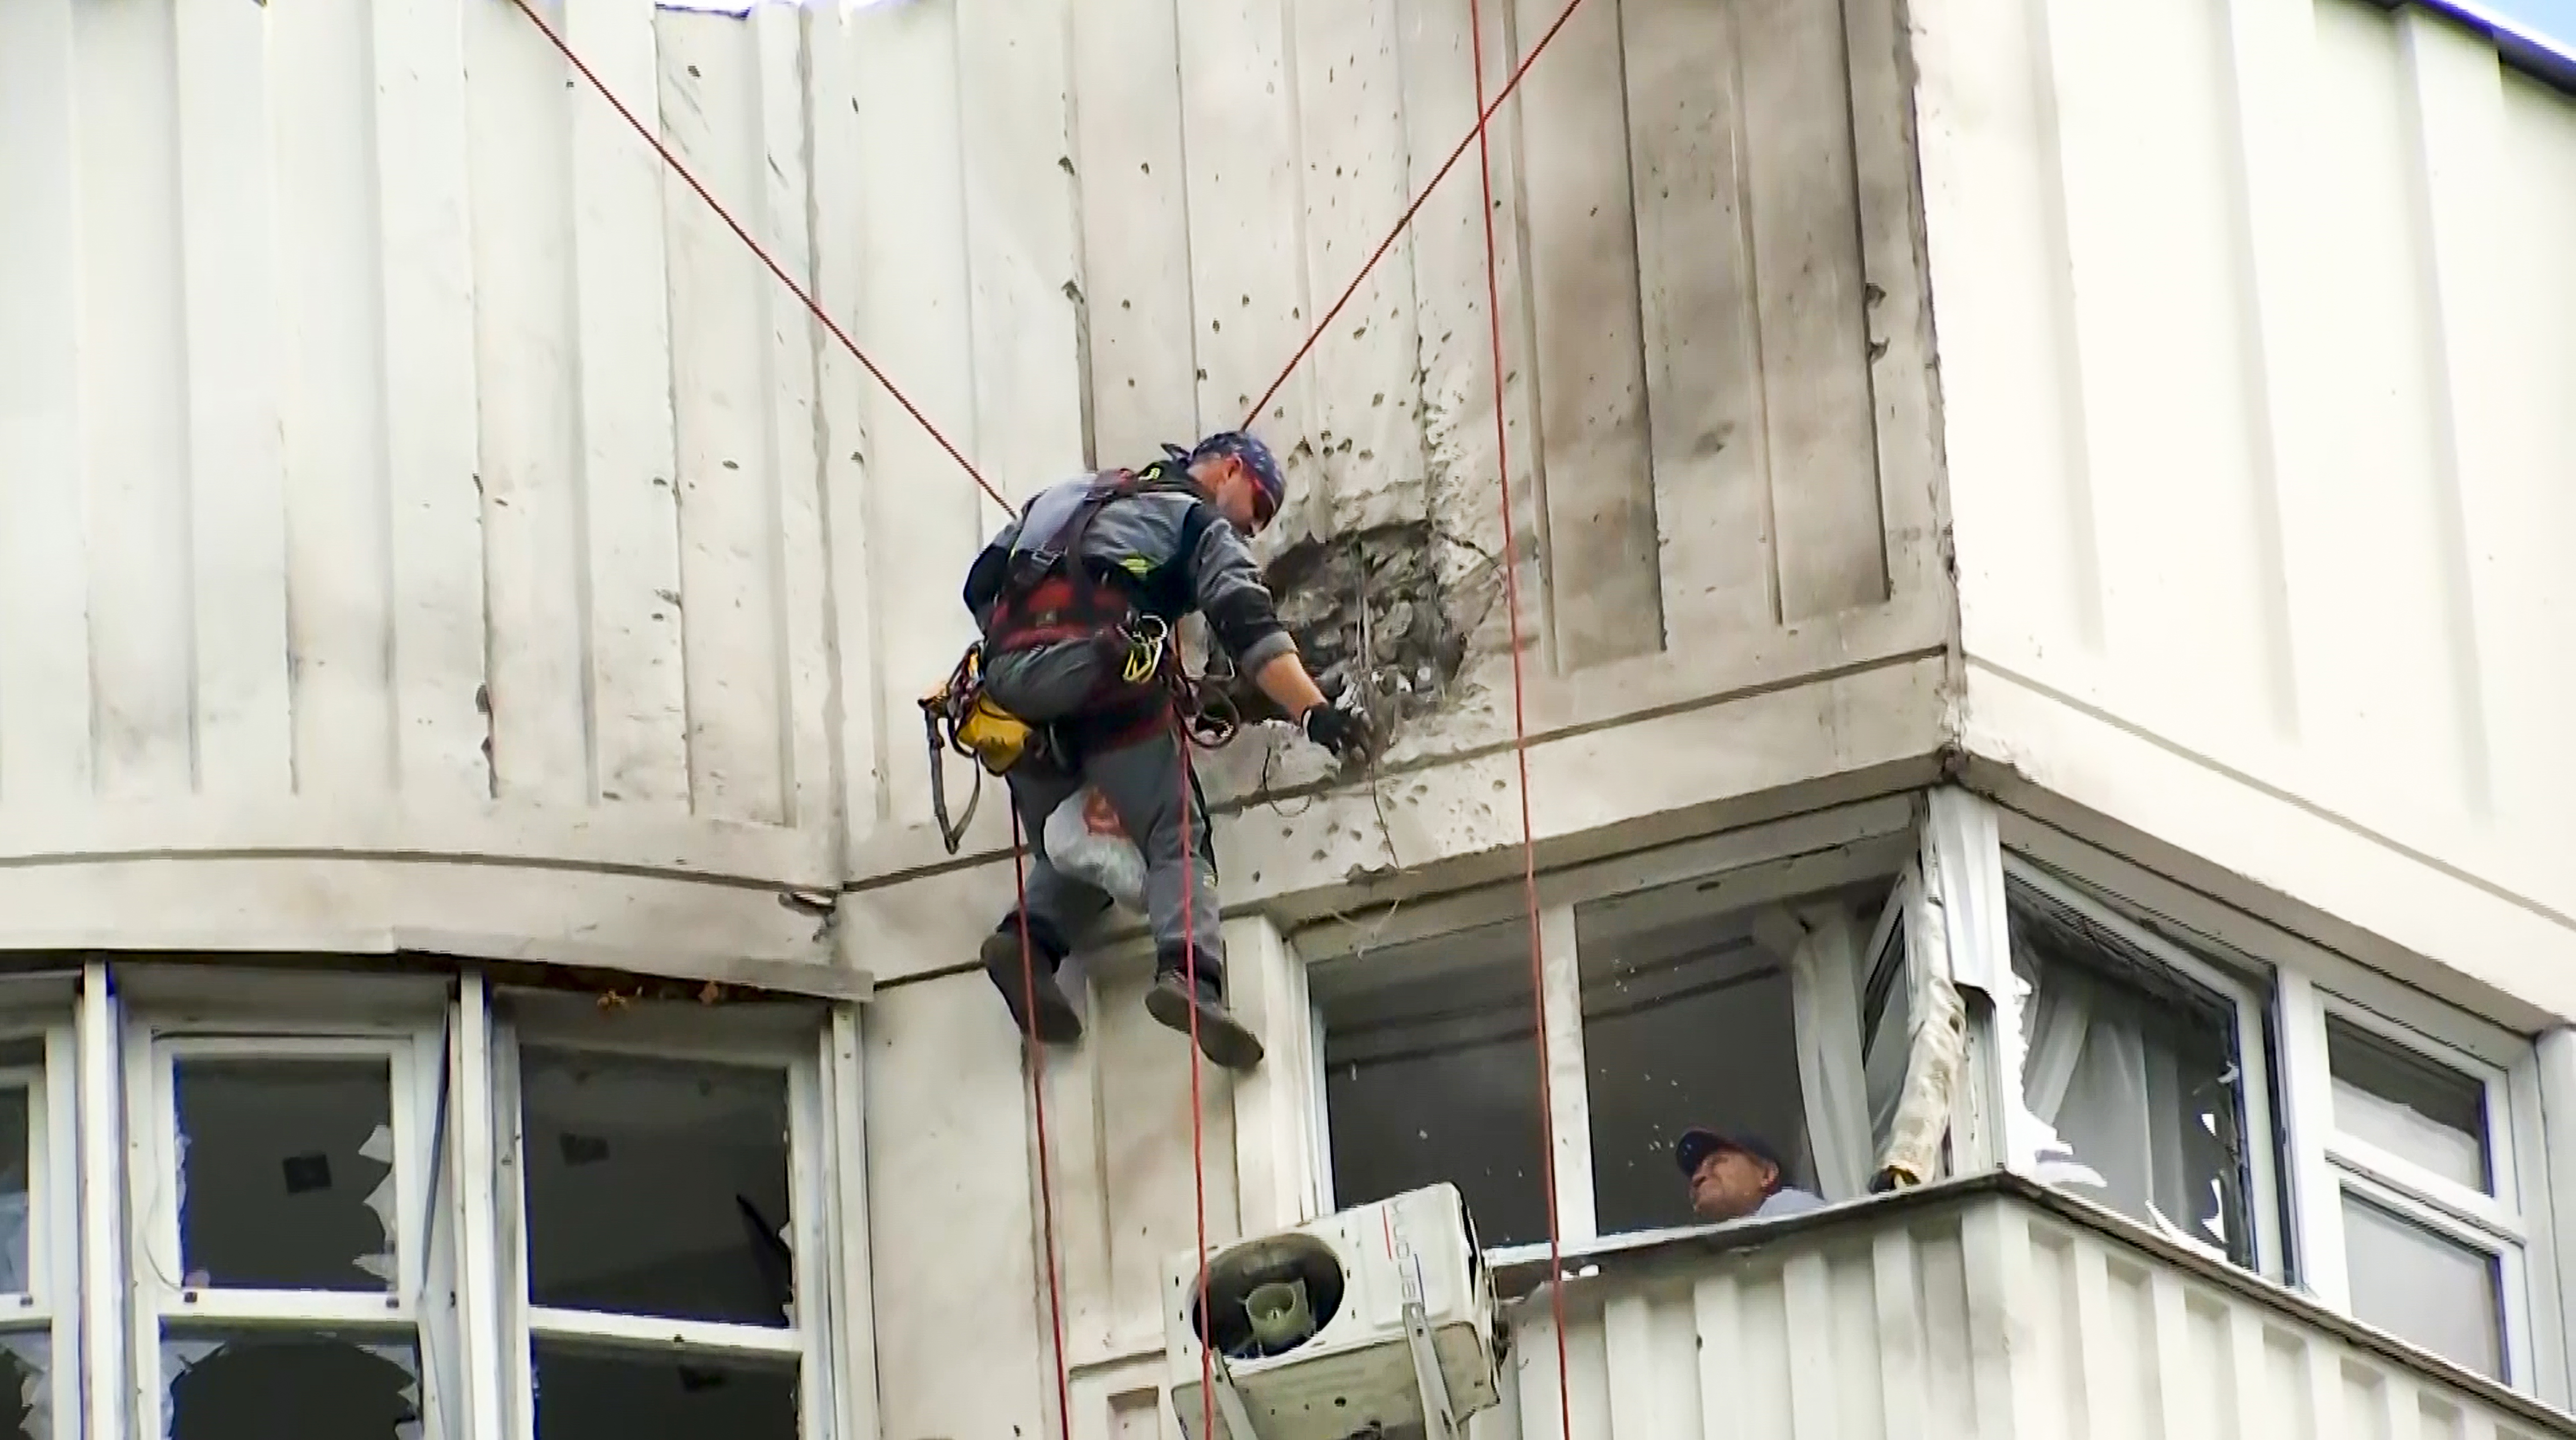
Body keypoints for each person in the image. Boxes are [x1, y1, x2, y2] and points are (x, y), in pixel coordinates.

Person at [963, 431, 1369, 1072]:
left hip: (1008, 693)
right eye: (1258, 508)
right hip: (1095, 672)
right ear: (1232, 469)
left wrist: (1033, 648)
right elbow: (1247, 625)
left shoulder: (1071, 493)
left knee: (1096, 843)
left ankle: (1026, 944)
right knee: (1174, 831)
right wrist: (1315, 713)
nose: (1255, 530)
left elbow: (980, 583)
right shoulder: (1196, 520)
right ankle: (1190, 978)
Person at [1675, 1128, 1826, 1224]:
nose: (1697, 1179)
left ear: (1767, 1175)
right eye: (1695, 1174)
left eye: (1717, 1162)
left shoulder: (1783, 1205)